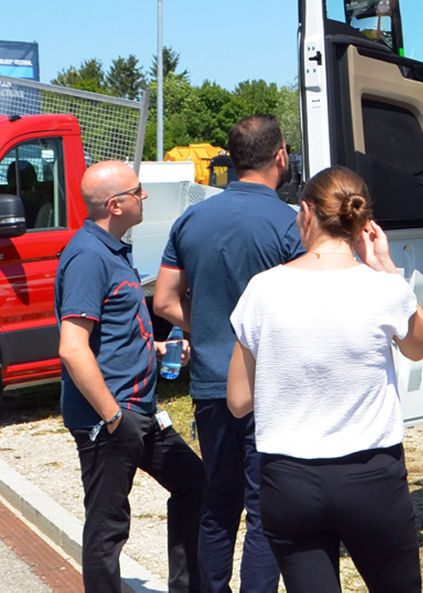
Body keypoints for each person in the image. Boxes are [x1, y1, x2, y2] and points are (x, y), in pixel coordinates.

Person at [226, 165, 423, 593]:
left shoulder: (262, 289)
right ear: (363, 222)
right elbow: (420, 345)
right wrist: (388, 267)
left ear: (305, 213)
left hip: (289, 478)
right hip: (370, 474)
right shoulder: (383, 288)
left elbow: (238, 400)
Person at [153, 114, 304, 593]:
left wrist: (218, 329)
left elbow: (163, 301)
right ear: (280, 155)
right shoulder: (291, 222)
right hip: (272, 389)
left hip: (212, 383)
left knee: (219, 504)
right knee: (265, 511)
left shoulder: (191, 219)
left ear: (231, 160)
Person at [54, 160, 205, 593]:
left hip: (141, 411)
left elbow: (112, 333)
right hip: (112, 417)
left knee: (194, 483)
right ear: (116, 205)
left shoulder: (113, 250)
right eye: (139, 191)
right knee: (107, 526)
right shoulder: (87, 256)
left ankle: (189, 585)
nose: (146, 196)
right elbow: (72, 346)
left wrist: (156, 349)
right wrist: (113, 417)